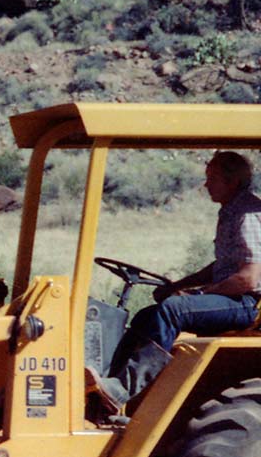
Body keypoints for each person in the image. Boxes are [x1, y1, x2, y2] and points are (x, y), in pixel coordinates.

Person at [90, 151, 261, 410]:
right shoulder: (230, 211)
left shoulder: (246, 214)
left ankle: (124, 388)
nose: (206, 185)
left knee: (172, 310)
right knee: (148, 315)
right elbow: (223, 265)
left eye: (212, 178)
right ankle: (109, 385)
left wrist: (200, 295)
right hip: (231, 297)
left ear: (232, 182)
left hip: (246, 304)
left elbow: (248, 278)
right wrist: (177, 285)